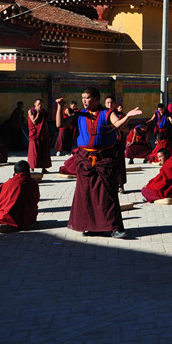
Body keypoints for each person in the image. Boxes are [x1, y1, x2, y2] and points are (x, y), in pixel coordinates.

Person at [55, 88, 142, 239]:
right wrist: (60, 107)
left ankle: (114, 228)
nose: (84, 101)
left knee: (108, 195)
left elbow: (117, 124)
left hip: (104, 158)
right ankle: (92, 227)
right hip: (85, 158)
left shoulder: (107, 113)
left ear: (96, 99)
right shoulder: (80, 114)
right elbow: (60, 124)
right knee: (87, 195)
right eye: (83, 98)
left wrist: (127, 116)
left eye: (87, 98)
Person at [27, 99, 52, 174]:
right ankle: (32, 167)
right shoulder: (31, 111)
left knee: (43, 150)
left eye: (41, 104)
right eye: (38, 104)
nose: (40, 105)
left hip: (43, 133)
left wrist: (47, 133)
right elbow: (34, 121)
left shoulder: (44, 112)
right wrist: (38, 113)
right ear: (35, 104)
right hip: (34, 134)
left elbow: (45, 123)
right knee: (33, 151)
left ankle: (44, 168)